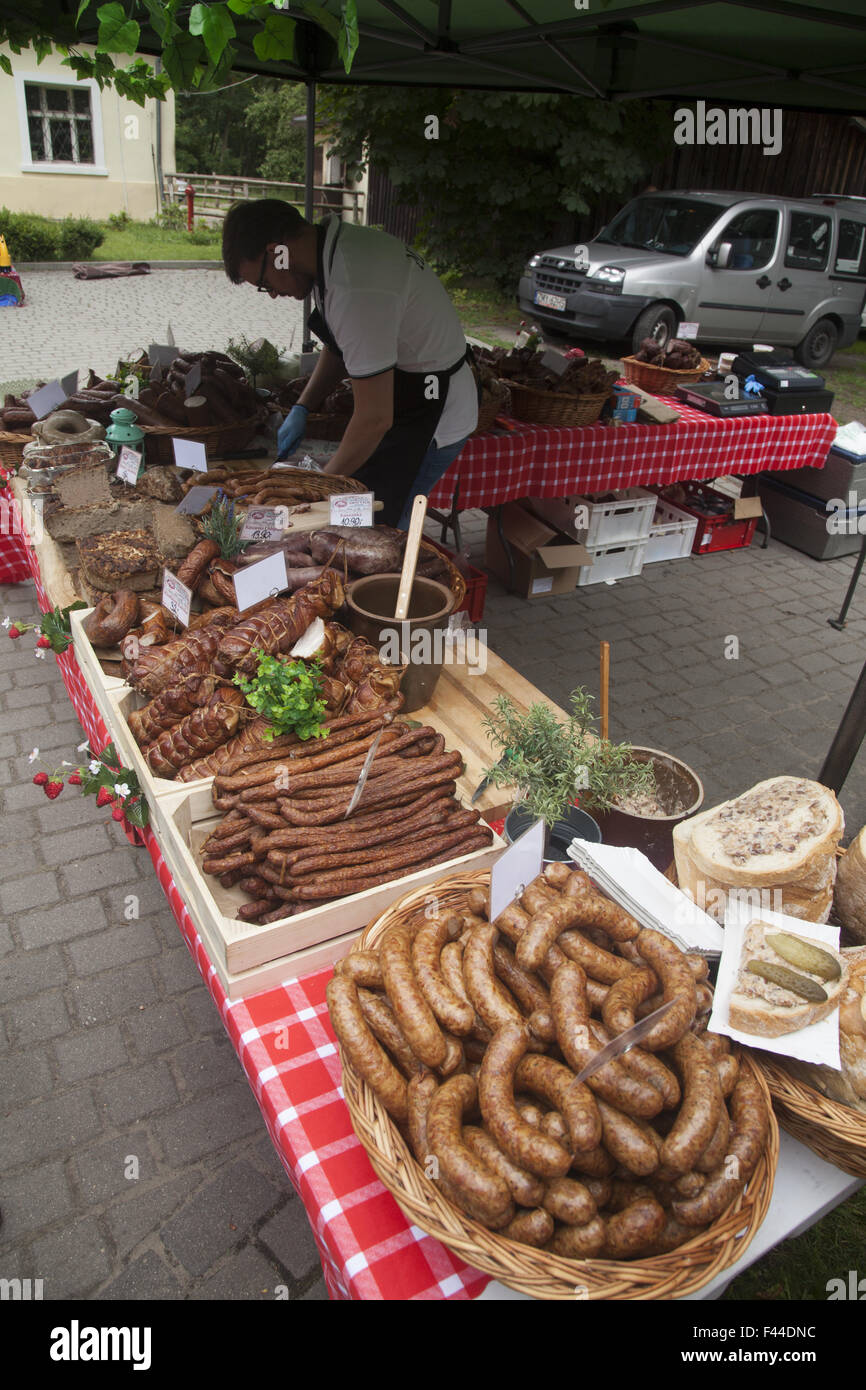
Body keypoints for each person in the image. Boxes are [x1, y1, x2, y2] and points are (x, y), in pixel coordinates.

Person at [222, 199, 478, 527]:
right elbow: (339, 343)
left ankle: (396, 573)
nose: (271, 294)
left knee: (384, 522)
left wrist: (319, 490)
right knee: (362, 508)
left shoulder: (354, 284)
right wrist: (304, 405)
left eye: (264, 283)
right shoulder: (328, 252)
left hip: (434, 409)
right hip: (401, 398)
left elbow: (374, 419)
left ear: (277, 253)